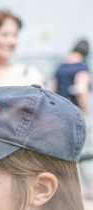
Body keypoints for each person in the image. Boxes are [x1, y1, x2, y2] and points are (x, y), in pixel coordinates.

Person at [54, 39, 93, 199]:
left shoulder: (61, 67)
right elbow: (80, 89)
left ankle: (66, 187)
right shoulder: (82, 67)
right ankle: (90, 188)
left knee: (65, 150)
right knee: (86, 151)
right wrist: (87, 112)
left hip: (62, 113)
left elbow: (54, 90)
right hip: (78, 114)